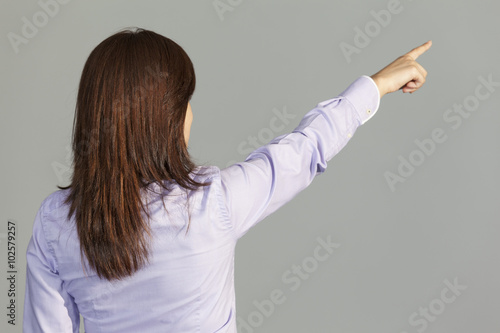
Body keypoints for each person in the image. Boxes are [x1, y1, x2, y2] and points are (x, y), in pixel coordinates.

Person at [22, 27, 431, 332]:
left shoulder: (54, 222)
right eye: (186, 104)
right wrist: (375, 86)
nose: (192, 115)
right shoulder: (212, 202)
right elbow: (305, 149)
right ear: (163, 119)